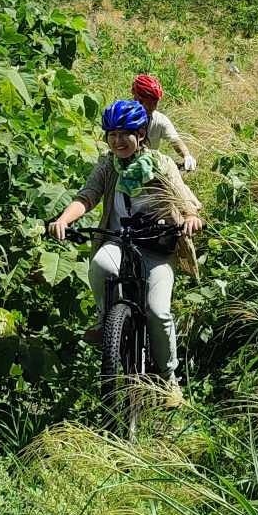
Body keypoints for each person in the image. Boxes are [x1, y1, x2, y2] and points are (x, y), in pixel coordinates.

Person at [48, 98, 205, 403]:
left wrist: (189, 217)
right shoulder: (108, 165)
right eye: (112, 134)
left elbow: (183, 196)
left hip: (157, 245)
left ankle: (169, 379)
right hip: (119, 240)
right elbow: (88, 195)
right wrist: (64, 220)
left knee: (158, 312)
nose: (118, 141)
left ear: (141, 134)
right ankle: (106, 319)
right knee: (101, 265)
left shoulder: (160, 164)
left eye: (125, 134)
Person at [130, 72, 197, 173]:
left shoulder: (160, 120)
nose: (151, 107)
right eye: (146, 102)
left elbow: (175, 140)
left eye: (155, 103)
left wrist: (186, 155)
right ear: (136, 98)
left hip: (148, 167)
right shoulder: (121, 116)